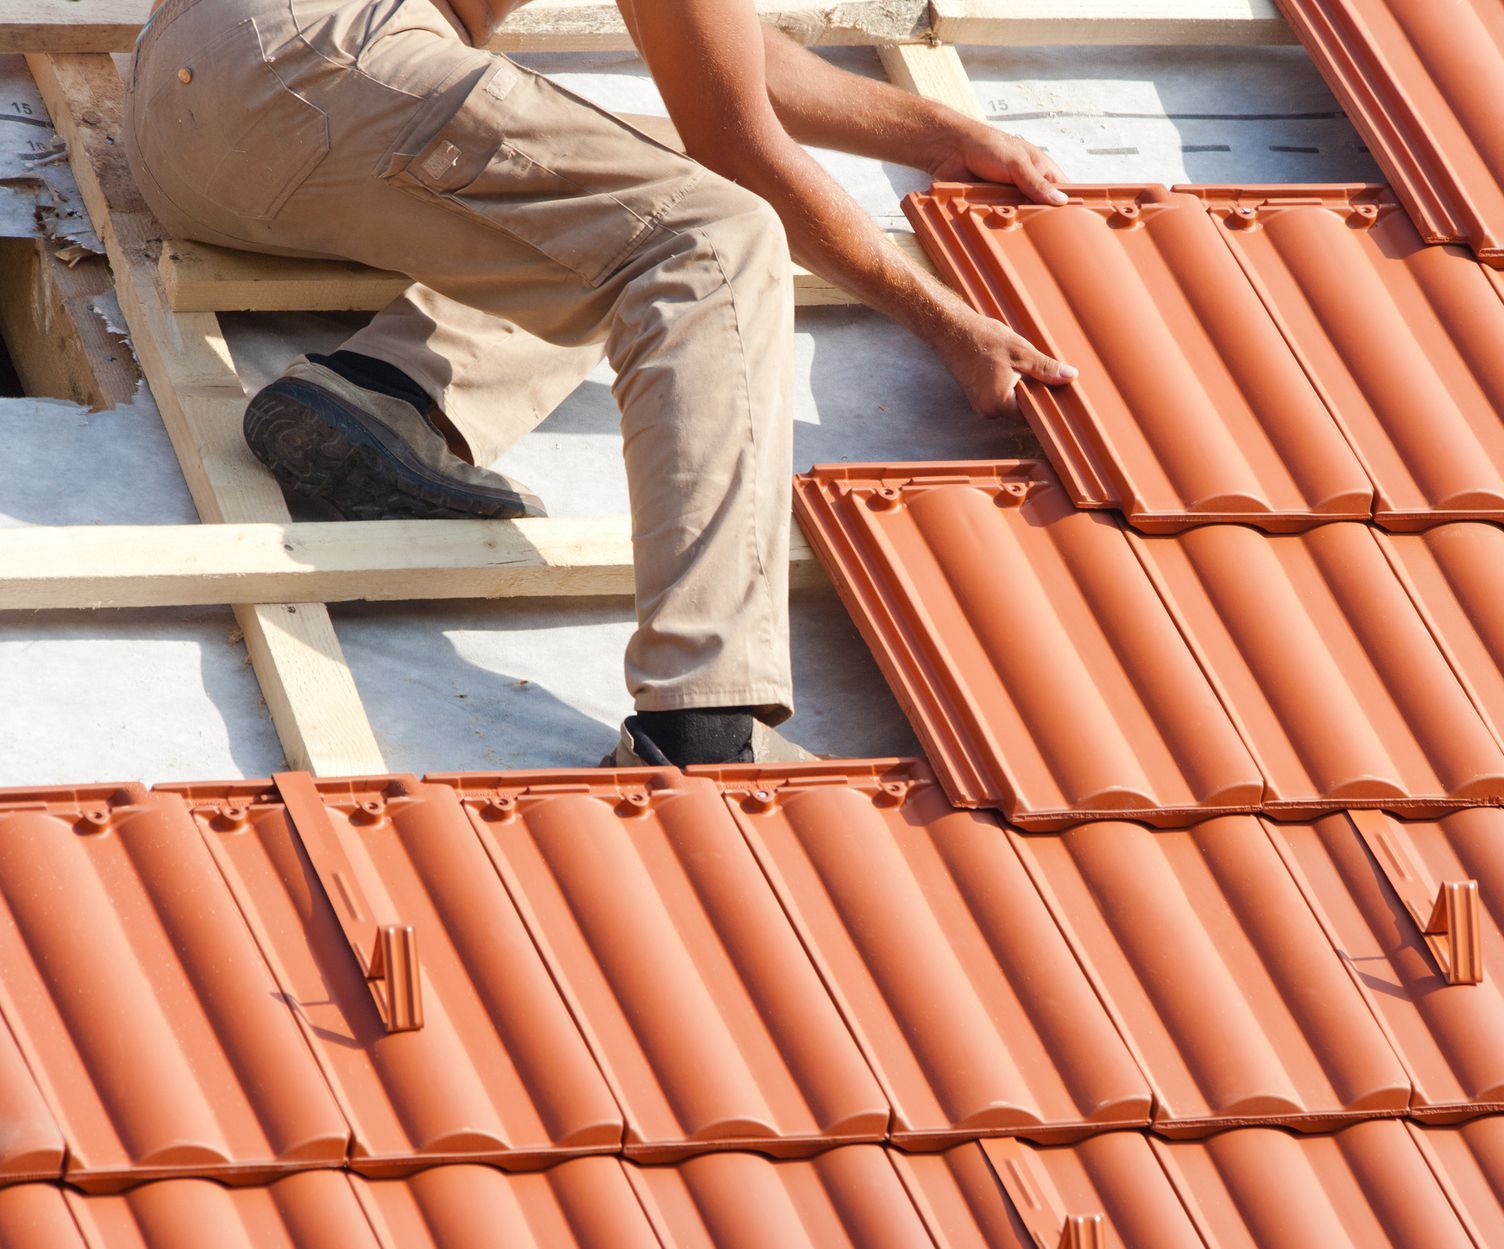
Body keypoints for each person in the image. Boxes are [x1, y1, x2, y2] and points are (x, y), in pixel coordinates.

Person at [125, 0, 1077, 766]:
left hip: (188, 130)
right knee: (709, 238)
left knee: (617, 202)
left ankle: (389, 393)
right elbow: (734, 139)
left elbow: (726, 52)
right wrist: (943, 319)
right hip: (318, 68)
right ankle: (706, 717)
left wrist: (934, 132)